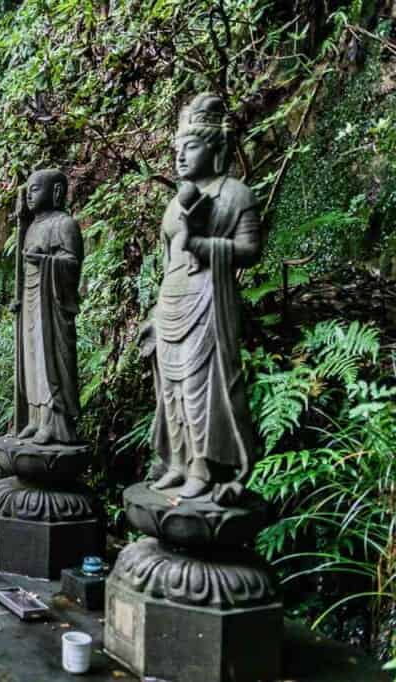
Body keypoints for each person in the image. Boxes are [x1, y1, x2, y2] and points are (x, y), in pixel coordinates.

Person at [140, 92, 264, 499]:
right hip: (173, 301)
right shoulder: (174, 204)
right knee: (170, 391)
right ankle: (177, 462)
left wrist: (206, 245)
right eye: (177, 148)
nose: (180, 156)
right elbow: (167, 263)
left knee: (200, 387)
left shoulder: (236, 194)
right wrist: (155, 314)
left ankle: (204, 466)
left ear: (215, 150)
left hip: (209, 299)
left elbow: (251, 251)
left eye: (190, 147)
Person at [12, 169, 83, 445]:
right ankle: (35, 417)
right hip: (31, 302)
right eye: (28, 190)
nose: (30, 195)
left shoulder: (64, 224)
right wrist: (19, 300)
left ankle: (54, 423)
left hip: (52, 304)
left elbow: (73, 264)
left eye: (35, 189)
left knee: (48, 358)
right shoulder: (30, 227)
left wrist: (45, 261)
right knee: (31, 359)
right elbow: (23, 268)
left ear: (55, 192)